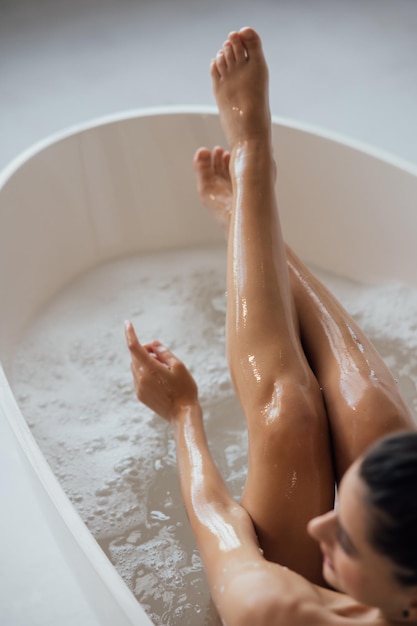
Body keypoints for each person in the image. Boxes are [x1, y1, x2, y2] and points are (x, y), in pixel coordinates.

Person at [125, 27, 417, 625]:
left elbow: (219, 523)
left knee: (288, 415)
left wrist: (183, 412)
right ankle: (250, 196)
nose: (318, 525)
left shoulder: (278, 609)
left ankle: (251, 180)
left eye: (347, 539)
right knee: (375, 414)